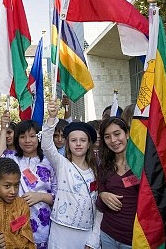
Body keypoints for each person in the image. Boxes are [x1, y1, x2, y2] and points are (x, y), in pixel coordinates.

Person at [41, 100, 102, 249]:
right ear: (68, 143)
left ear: (89, 144)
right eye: (74, 140)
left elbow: (99, 210)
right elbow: (46, 145)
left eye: (83, 140)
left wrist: (93, 240)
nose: (78, 144)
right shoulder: (61, 164)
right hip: (60, 231)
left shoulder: (97, 171)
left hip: (86, 233)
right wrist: (51, 118)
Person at [0, 116, 56, 248]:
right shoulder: (11, 157)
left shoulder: (50, 162)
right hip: (14, 224)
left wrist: (41, 196)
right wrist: (4, 129)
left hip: (42, 228)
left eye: (32, 136)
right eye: (22, 137)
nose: (27, 141)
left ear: (39, 138)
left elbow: (60, 198)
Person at [97, 117, 138, 249]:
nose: (113, 140)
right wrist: (102, 195)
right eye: (107, 137)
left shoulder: (142, 164)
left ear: (127, 134)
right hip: (107, 234)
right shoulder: (104, 166)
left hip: (134, 238)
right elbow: (100, 206)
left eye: (117, 134)